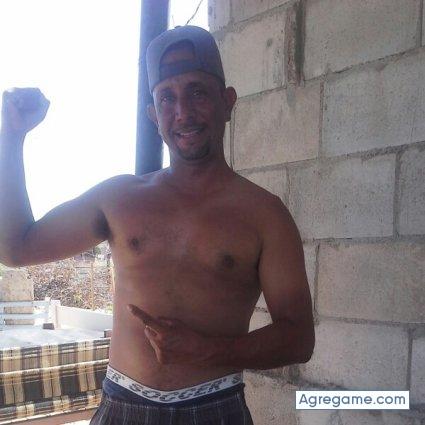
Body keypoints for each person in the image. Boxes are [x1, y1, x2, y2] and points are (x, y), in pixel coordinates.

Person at [0, 25, 314, 425]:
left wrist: (210, 350)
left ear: (227, 102)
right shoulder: (119, 198)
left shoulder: (265, 214)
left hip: (215, 409)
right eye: (167, 97)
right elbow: (16, 248)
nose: (182, 112)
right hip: (122, 408)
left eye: (197, 92)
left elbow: (298, 337)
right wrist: (11, 136)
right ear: (153, 114)